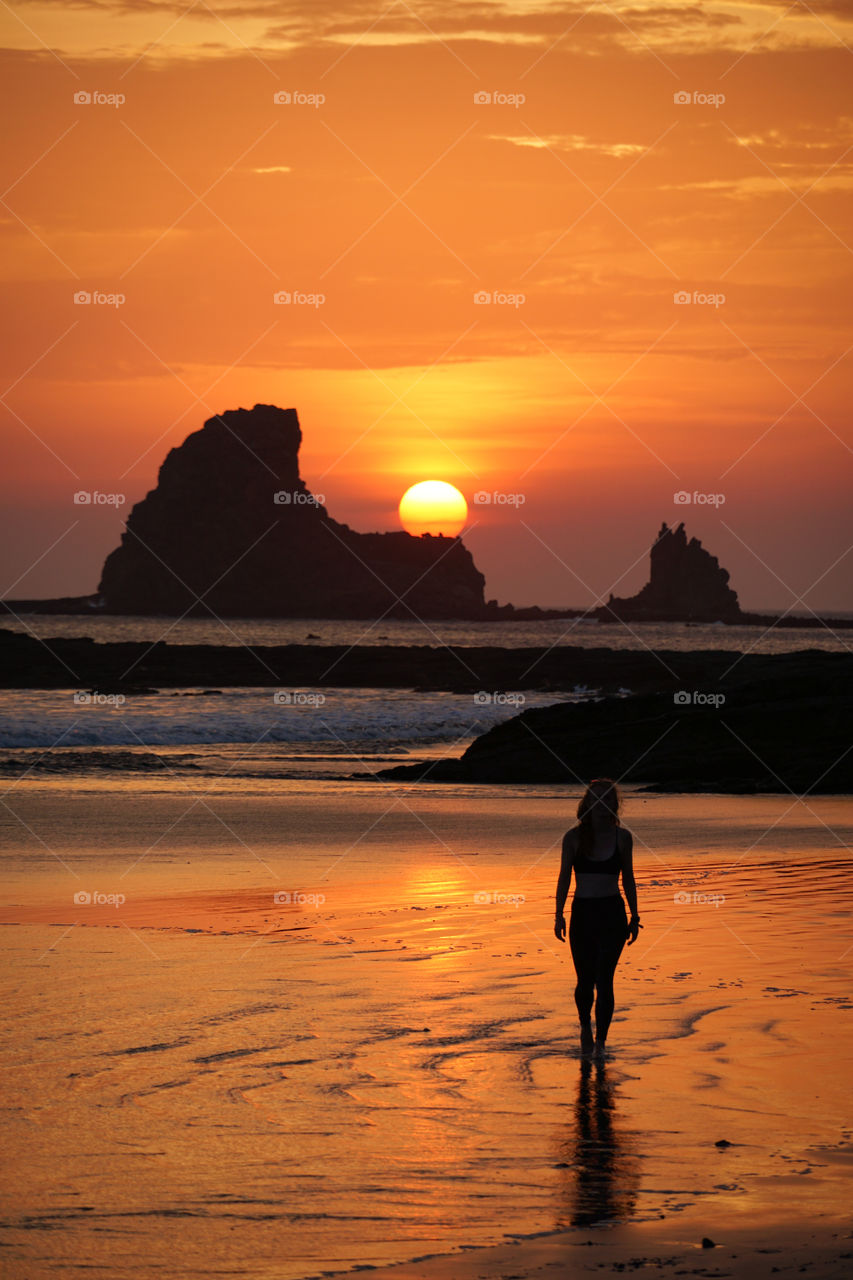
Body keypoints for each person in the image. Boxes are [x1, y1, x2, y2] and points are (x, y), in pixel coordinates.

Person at [554, 778, 641, 1056]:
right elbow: (564, 878)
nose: (603, 805)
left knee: (605, 980)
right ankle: (584, 1027)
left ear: (615, 806)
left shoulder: (623, 838)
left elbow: (628, 878)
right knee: (585, 981)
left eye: (608, 800)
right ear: (588, 804)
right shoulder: (573, 838)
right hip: (583, 914)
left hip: (612, 914)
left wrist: (635, 915)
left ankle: (601, 1043)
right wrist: (558, 915)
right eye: (597, 799)